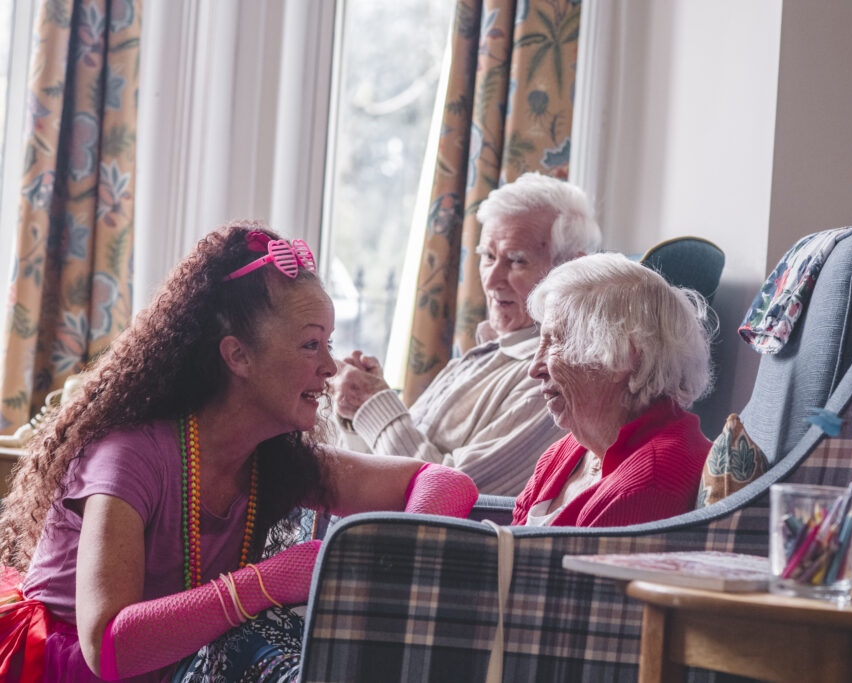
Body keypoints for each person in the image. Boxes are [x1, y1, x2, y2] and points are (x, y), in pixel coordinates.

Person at [0, 222, 478, 682]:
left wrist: (398, 564)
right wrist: (269, 581)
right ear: (238, 356)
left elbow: (445, 483)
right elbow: (107, 645)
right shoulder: (128, 457)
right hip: (54, 668)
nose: (330, 366)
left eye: (328, 344)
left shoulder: (272, 457)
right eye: (311, 344)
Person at [333, 172, 602, 496]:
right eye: (488, 256)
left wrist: (375, 405)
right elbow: (379, 475)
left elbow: (445, 496)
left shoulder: (551, 379)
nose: (491, 280)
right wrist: (357, 412)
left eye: (516, 260)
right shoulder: (487, 354)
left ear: (570, 270)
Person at [511, 252, 715, 527]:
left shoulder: (648, 485)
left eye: (556, 341)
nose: (534, 368)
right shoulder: (569, 451)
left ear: (622, 355)